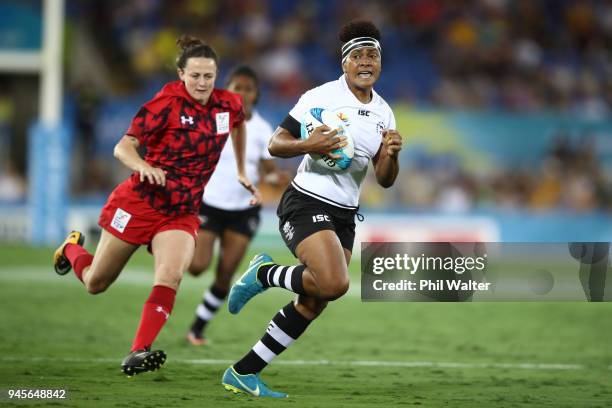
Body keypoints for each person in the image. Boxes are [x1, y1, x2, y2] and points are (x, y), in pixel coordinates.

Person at [52, 35, 259, 376]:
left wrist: (239, 169)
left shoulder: (229, 105)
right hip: (139, 204)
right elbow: (123, 147)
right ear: (181, 74)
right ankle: (72, 249)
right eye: (195, 76)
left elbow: (238, 127)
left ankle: (137, 351)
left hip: (181, 212)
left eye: (209, 76)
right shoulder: (165, 104)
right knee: (95, 283)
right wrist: (144, 166)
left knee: (171, 275)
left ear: (217, 75)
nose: (202, 83)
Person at [221, 20, 403, 398]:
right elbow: (276, 143)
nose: (366, 61)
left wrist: (391, 154)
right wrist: (311, 145)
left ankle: (243, 371)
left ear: (380, 63)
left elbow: (384, 179)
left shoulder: (385, 113)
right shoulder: (320, 97)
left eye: (373, 55)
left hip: (345, 214)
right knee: (335, 283)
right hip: (306, 201)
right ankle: (265, 274)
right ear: (345, 62)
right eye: (358, 55)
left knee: (315, 300)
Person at [186, 65, 287, 346]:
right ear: (226, 91)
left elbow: (267, 171)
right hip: (209, 204)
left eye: (248, 88)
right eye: (237, 87)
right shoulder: (210, 118)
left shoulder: (264, 129)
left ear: (256, 94)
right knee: (196, 266)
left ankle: (196, 329)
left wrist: (274, 177)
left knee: (225, 274)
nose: (242, 93)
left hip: (244, 210)